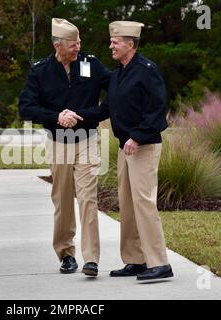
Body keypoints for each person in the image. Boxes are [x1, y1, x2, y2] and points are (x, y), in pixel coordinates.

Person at [78, 21, 173, 281]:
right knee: (128, 205)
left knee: (144, 203)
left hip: (143, 146)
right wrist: (77, 115)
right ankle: (135, 260)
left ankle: (160, 262)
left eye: (115, 42)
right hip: (126, 148)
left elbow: (157, 110)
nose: (111, 45)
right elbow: (105, 109)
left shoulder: (147, 70)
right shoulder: (118, 74)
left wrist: (137, 137)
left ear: (130, 44)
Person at [18, 18, 110, 277]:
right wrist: (57, 116)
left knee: (88, 199)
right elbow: (26, 107)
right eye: (73, 43)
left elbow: (115, 88)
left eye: (79, 42)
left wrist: (96, 113)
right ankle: (66, 254)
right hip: (58, 142)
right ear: (57, 44)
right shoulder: (41, 70)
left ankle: (91, 258)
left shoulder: (90, 64)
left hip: (88, 140)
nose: (77, 47)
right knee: (62, 201)